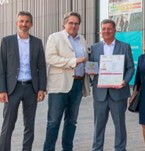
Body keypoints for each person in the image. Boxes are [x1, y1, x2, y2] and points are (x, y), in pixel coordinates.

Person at [43, 12, 90, 151]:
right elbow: (50, 58)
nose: (74, 26)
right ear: (64, 23)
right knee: (53, 122)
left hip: (77, 85)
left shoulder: (82, 39)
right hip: (59, 87)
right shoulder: (55, 37)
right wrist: (73, 61)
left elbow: (85, 59)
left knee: (72, 122)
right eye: (71, 23)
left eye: (76, 23)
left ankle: (67, 148)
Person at [0, 11, 47, 151]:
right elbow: (1, 67)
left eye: (27, 21)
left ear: (31, 24)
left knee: (29, 125)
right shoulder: (7, 41)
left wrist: (41, 88)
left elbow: (42, 67)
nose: (24, 24)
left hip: (31, 89)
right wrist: (2, 90)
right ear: (17, 23)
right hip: (12, 89)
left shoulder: (37, 42)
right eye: (21, 21)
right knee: (8, 125)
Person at [90, 19, 134, 151]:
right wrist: (90, 72)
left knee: (120, 125)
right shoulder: (94, 47)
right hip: (100, 94)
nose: (106, 31)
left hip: (118, 93)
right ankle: (97, 149)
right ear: (100, 31)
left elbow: (130, 68)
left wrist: (125, 81)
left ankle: (120, 149)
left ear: (115, 30)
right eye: (103, 29)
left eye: (109, 28)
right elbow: (92, 67)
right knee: (98, 126)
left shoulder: (125, 46)